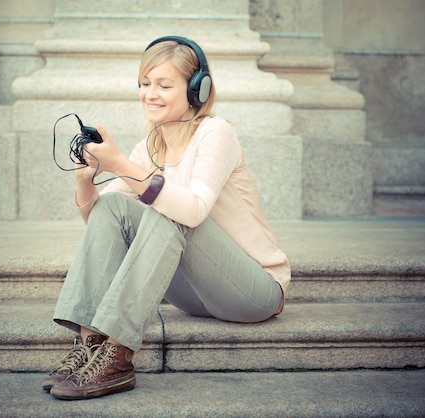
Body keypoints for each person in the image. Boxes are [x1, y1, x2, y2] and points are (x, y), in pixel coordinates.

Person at [43, 35, 291, 401]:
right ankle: (91, 343)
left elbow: (192, 210)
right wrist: (85, 181)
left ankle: (118, 355)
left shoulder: (215, 133)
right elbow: (103, 219)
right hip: (193, 293)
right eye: (144, 84)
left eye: (163, 85)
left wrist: (122, 166)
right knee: (116, 206)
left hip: (252, 288)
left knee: (171, 210)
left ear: (197, 90)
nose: (150, 94)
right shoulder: (150, 146)